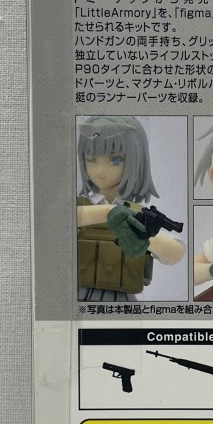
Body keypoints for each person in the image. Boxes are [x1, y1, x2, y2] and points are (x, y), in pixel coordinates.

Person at [76, 116, 184, 302]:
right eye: (91, 159)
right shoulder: (80, 206)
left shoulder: (136, 212)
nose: (100, 170)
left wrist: (143, 236)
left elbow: (175, 253)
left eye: (115, 160)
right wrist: (108, 213)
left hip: (123, 300)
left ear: (135, 160)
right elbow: (61, 222)